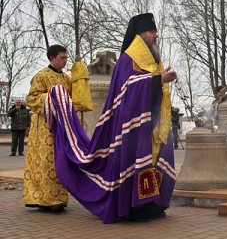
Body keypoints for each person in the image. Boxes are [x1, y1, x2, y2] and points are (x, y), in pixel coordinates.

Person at [42, 13, 177, 223]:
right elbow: (129, 88)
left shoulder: (153, 59)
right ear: (140, 34)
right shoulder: (127, 59)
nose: (156, 35)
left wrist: (160, 79)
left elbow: (147, 85)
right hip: (132, 126)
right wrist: (159, 79)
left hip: (153, 124)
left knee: (155, 162)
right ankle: (134, 208)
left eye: (155, 31)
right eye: (152, 32)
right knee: (136, 164)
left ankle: (152, 204)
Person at [23, 44, 72, 212]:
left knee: (60, 160)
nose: (66, 61)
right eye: (62, 58)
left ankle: (59, 197)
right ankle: (43, 199)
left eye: (66, 57)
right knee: (45, 161)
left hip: (61, 125)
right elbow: (32, 99)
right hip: (44, 127)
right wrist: (52, 97)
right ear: (52, 58)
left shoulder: (66, 78)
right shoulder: (41, 76)